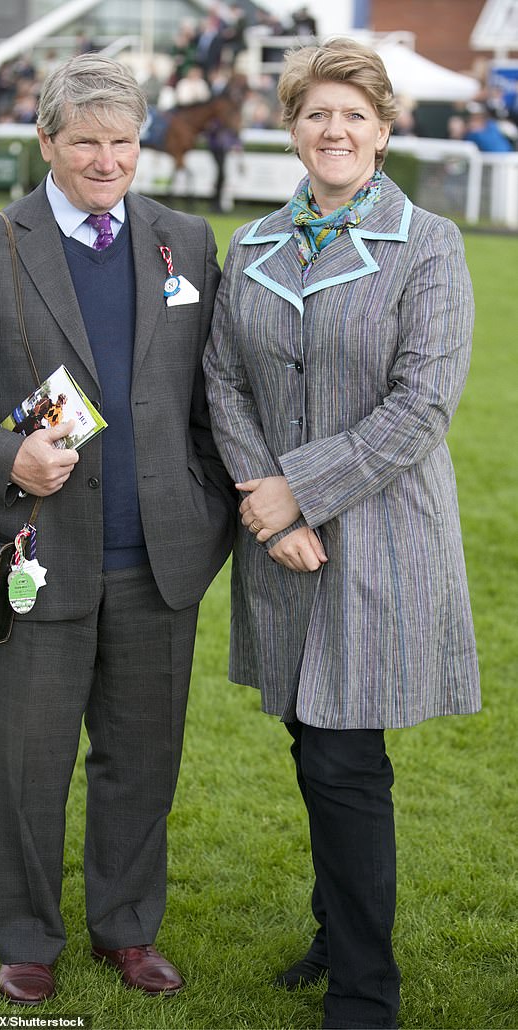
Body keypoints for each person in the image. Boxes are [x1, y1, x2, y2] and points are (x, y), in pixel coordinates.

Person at [0, 53, 235, 1007]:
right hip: (36, 557)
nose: (105, 159)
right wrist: (6, 459)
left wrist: (206, 516)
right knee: (28, 766)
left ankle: (127, 932)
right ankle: (28, 938)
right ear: (45, 141)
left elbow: (213, 399)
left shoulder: (185, 241)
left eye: (122, 141)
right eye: (84, 140)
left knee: (142, 763)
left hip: (160, 563)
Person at [203, 37, 480, 1030]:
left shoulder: (430, 243)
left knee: (342, 759)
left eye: (354, 115)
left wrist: (300, 495)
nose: (335, 131)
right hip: (279, 537)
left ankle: (365, 988)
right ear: (293, 127)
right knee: (310, 740)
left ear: (382, 128)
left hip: (378, 533)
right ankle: (338, 929)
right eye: (317, 114)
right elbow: (223, 379)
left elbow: (419, 407)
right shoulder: (255, 243)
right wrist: (263, 497)